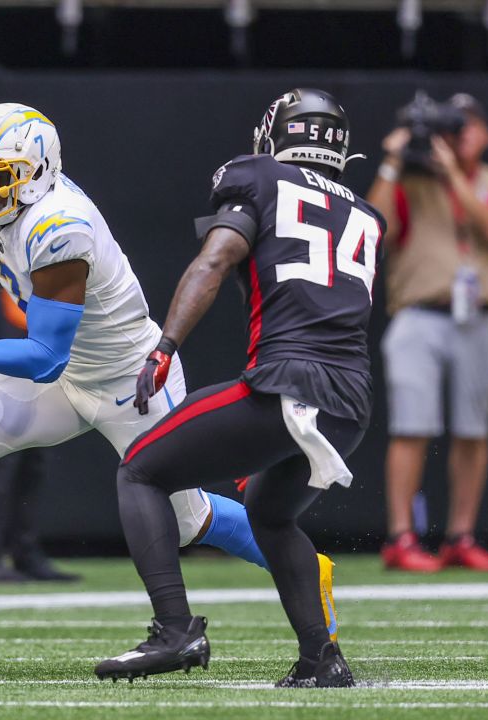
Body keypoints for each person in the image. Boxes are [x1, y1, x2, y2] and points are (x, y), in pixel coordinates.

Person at [0, 102, 274, 656]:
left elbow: (44, 358)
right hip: (71, 371)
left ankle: (302, 565)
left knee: (190, 521)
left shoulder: (60, 227)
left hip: (126, 379)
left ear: (35, 174)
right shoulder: (21, 193)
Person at [96, 88, 384, 688]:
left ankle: (175, 629)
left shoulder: (259, 178)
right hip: (350, 404)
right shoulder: (364, 212)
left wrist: (165, 345)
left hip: (288, 384)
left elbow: (215, 260)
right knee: (269, 514)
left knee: (140, 470)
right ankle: (321, 658)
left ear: (280, 134)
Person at [367, 93, 488, 573]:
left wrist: (452, 172)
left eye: (469, 126)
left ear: (486, 133)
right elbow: (372, 230)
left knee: (474, 430)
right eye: (453, 127)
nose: (460, 135)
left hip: (477, 318)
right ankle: (401, 536)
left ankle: (461, 535)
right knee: (411, 427)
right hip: (419, 315)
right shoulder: (409, 182)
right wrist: (393, 160)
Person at [0, 291, 80, 584]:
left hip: (43, 334)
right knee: (4, 451)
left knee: (35, 452)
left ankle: (26, 552)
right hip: (18, 331)